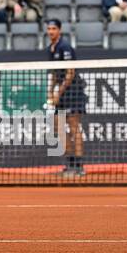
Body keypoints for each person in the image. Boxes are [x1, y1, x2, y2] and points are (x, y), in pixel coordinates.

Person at [45, 19, 86, 177]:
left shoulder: (65, 47)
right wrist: (50, 91)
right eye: (48, 29)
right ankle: (71, 164)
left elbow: (70, 73)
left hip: (73, 92)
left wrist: (58, 93)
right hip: (60, 93)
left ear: (59, 30)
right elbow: (55, 73)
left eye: (53, 28)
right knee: (58, 126)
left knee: (74, 127)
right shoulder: (51, 49)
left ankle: (80, 167)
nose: (50, 32)